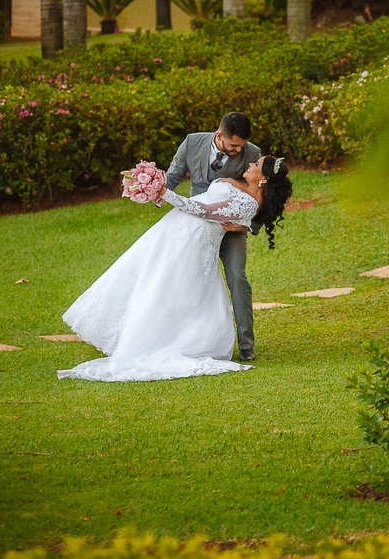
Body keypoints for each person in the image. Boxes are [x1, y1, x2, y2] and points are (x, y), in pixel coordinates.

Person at [58, 156, 293, 382]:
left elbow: (203, 210)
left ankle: (154, 341)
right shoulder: (240, 184)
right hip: (176, 230)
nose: (251, 164)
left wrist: (164, 193)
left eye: (257, 164)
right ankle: (133, 334)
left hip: (191, 241)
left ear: (264, 179)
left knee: (167, 288)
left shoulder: (248, 203)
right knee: (147, 278)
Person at [163, 112, 262, 360]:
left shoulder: (252, 153)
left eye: (241, 146)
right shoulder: (191, 142)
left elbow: (265, 196)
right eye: (233, 146)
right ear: (219, 136)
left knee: (238, 279)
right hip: (196, 227)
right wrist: (153, 190)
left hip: (231, 229)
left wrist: (248, 225)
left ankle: (246, 345)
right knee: (188, 281)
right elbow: (172, 177)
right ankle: (187, 341)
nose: (239, 150)